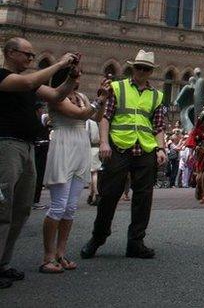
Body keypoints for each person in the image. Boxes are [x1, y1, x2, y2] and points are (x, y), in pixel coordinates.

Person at [0, 39, 79, 289]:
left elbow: (56, 95)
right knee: (2, 208)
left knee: (21, 209)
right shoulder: (5, 77)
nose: (31, 60)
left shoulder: (28, 83)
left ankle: (4, 263)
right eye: (28, 55)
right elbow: (31, 81)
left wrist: (70, 78)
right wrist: (60, 63)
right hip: (6, 145)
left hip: (27, 146)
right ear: (10, 53)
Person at [80, 49, 168, 260]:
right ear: (132, 68)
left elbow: (158, 126)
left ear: (151, 72)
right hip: (118, 147)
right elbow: (105, 117)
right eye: (139, 68)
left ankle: (136, 242)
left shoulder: (157, 95)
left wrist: (161, 148)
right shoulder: (117, 88)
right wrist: (103, 142)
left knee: (143, 198)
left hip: (145, 149)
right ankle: (98, 238)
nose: (142, 72)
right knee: (108, 196)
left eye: (146, 69)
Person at [39, 77, 109, 273]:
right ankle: (48, 256)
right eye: (75, 75)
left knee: (70, 208)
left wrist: (102, 101)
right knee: (58, 206)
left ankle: (61, 253)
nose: (78, 79)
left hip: (80, 147)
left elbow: (96, 117)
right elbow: (79, 114)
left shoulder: (81, 96)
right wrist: (99, 99)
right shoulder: (57, 97)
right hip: (63, 145)